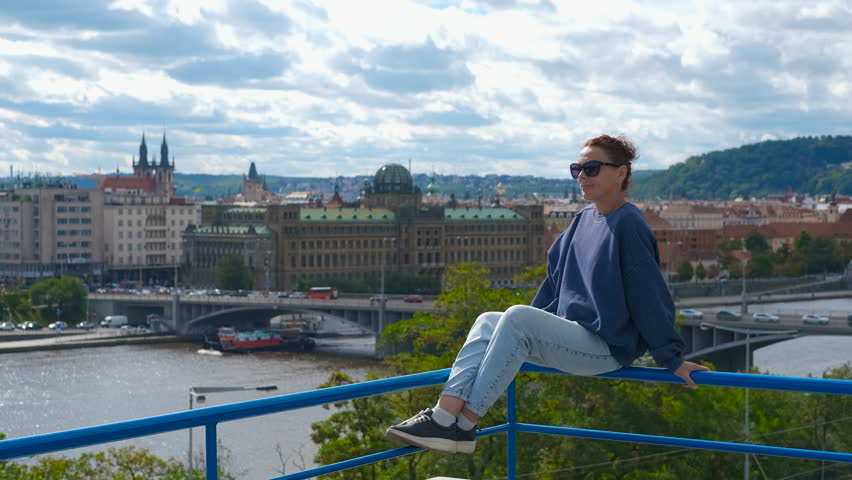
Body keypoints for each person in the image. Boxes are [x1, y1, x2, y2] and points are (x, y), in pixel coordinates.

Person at [386, 134, 709, 455]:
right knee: (488, 321)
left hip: (606, 346)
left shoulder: (629, 223)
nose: (582, 176)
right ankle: (444, 415)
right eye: (577, 169)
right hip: (575, 336)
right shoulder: (583, 219)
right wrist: (515, 336)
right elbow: (554, 284)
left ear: (621, 172)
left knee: (515, 317)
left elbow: (648, 294)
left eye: (592, 168)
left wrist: (672, 358)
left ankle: (465, 424)